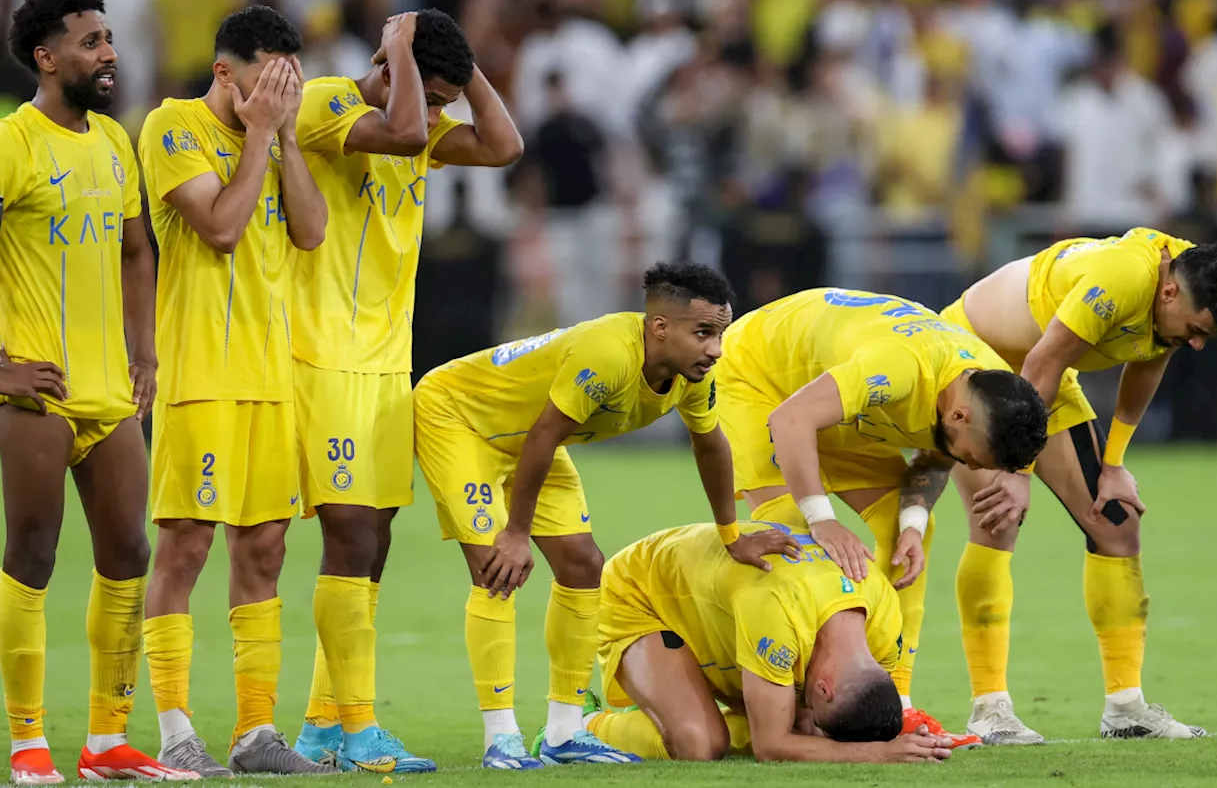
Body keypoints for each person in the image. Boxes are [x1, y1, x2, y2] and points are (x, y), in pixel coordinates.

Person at [414, 262, 791, 768]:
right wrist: (516, 532)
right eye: (703, 333)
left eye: (720, 333)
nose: (715, 349)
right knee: (496, 568)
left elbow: (712, 447)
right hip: (459, 418)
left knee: (582, 564)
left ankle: (565, 731)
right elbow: (545, 436)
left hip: (527, 440)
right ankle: (499, 738)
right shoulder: (609, 353)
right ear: (660, 327)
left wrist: (731, 534)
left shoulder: (693, 375)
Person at [288, 8, 522, 773]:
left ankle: (324, 726)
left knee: (374, 541)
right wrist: (400, 49)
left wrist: (464, 61)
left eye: (452, 96)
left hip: (388, 367)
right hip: (323, 358)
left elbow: (505, 144)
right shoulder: (328, 103)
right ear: (390, 69)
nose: (446, 110)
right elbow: (409, 132)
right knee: (351, 533)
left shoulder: (419, 128)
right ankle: (356, 729)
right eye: (438, 91)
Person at [940, 228, 1217, 742]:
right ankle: (989, 709)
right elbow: (1040, 363)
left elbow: (1146, 362)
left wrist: (1114, 463)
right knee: (998, 519)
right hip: (972, 360)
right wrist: (1017, 474)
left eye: (1207, 337)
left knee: (1116, 523)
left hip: (1042, 372)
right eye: (1197, 330)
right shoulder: (1123, 276)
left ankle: (1125, 706)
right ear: (1170, 292)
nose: (1197, 343)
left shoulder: (1181, 281)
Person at [0, 0, 195, 785]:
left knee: (127, 549)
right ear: (46, 58)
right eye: (90, 41)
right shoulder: (14, 143)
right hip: (34, 388)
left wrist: (142, 350)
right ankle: (27, 743)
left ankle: (106, 741)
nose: (108, 53)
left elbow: (136, 251)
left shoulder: (116, 143)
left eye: (109, 38)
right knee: (35, 554)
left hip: (108, 388)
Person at [716, 287, 1049, 748]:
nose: (968, 469)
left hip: (830, 389)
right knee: (794, 539)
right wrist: (822, 519)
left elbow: (934, 458)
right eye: (972, 459)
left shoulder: (980, 386)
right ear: (958, 413)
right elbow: (791, 420)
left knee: (906, 532)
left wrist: (911, 524)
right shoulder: (898, 369)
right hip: (758, 377)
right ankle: (791, 701)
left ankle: (900, 704)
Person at [136, 5, 333, 776]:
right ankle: (178, 730)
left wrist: (283, 135)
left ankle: (256, 733)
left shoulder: (276, 136)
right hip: (201, 376)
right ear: (226, 72)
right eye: (269, 80)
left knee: (266, 549)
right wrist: (259, 134)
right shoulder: (172, 125)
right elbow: (219, 227)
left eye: (293, 81)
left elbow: (311, 232)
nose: (283, 93)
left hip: (270, 378)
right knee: (184, 547)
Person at [585, 516, 953, 764]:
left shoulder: (885, 623)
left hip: (713, 601)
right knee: (699, 743)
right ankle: (588, 726)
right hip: (639, 592)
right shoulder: (777, 613)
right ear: (824, 688)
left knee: (803, 729)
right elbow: (770, 746)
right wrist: (878, 754)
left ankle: (672, 700)